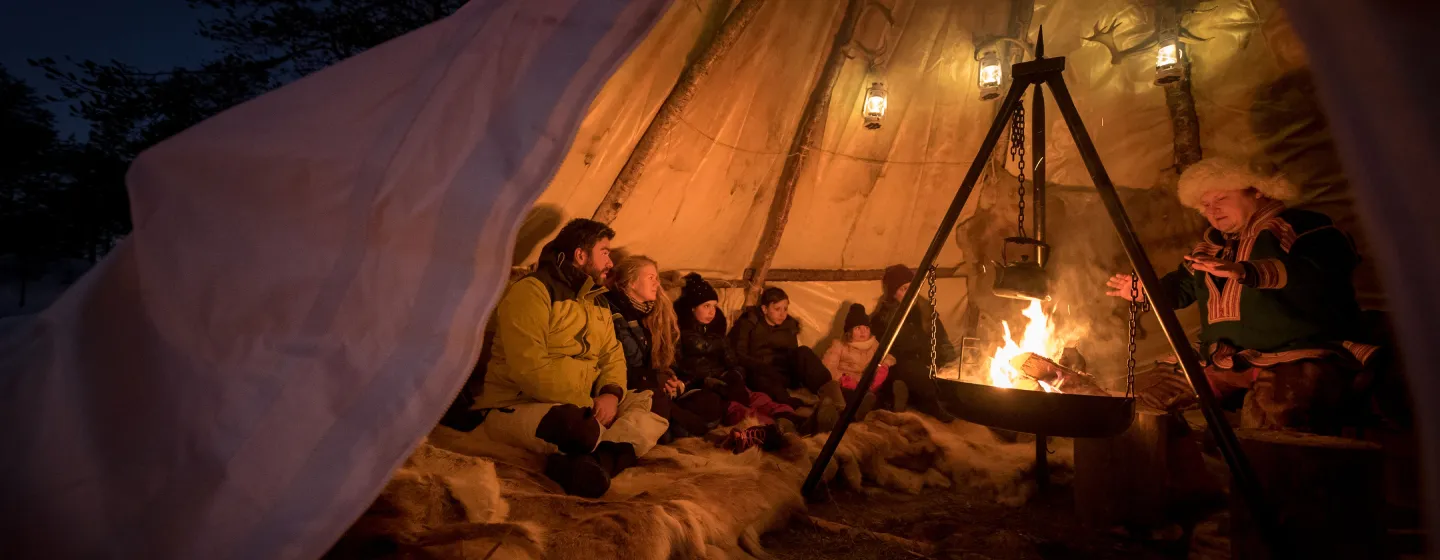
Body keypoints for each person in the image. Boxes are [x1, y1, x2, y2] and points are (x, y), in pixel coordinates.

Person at [1105, 156, 1378, 433]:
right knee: (1136, 402)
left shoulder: (1303, 227)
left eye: (1221, 198)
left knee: (1273, 423)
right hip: (1225, 360)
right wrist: (1143, 292)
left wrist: (1246, 271)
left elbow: (1323, 270)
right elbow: (1181, 288)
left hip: (1296, 356)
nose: (1213, 211)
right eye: (1205, 205)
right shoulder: (1212, 246)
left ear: (1257, 189)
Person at [473, 219, 668, 498]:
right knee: (577, 426)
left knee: (657, 401)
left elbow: (612, 356)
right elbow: (529, 369)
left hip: (589, 402)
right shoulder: (532, 292)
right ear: (581, 255)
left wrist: (611, 394)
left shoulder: (596, 300)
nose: (610, 262)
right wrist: (590, 405)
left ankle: (591, 465)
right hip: (522, 403)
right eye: (605, 252)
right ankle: (607, 454)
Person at [674, 273, 809, 451]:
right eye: (706, 306)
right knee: (738, 409)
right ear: (692, 308)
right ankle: (769, 430)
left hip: (725, 377)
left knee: (757, 397)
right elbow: (689, 366)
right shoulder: (682, 334)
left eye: (714, 306)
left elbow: (732, 358)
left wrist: (736, 374)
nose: (712, 312)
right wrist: (716, 382)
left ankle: (790, 418)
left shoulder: (715, 329)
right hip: (707, 386)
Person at [604, 256, 727, 441]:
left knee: (711, 401)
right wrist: (656, 378)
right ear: (632, 283)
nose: (657, 283)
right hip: (629, 388)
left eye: (657, 278)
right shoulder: (613, 313)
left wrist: (672, 378)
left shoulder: (653, 313)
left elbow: (666, 360)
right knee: (663, 408)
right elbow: (618, 365)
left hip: (654, 384)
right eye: (650, 278)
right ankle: (679, 428)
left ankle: (673, 426)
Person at [730, 287, 846, 430]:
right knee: (763, 378)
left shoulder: (789, 325)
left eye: (785, 309)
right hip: (761, 373)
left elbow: (793, 353)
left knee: (803, 352)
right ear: (765, 309)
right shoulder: (749, 324)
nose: (782, 314)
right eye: (777, 309)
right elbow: (738, 354)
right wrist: (761, 366)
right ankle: (807, 416)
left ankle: (838, 404)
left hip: (785, 371)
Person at [870, 265, 957, 422]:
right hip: (902, 364)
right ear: (892, 292)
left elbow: (941, 338)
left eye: (912, 287)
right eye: (903, 289)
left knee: (954, 374)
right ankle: (930, 405)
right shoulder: (883, 318)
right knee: (918, 375)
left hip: (928, 360)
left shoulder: (925, 310)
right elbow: (881, 351)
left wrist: (948, 360)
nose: (909, 293)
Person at [821, 304, 888, 420]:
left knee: (870, 395)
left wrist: (880, 372)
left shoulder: (874, 345)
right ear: (849, 331)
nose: (863, 332)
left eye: (866, 328)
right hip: (845, 384)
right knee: (837, 389)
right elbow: (828, 367)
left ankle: (857, 412)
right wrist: (842, 379)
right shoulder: (839, 345)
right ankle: (847, 413)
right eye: (858, 328)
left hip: (865, 385)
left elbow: (886, 360)